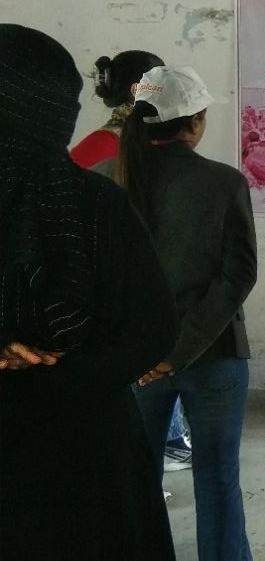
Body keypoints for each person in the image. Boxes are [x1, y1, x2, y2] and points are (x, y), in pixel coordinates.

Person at [0, 25, 185, 561]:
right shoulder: (95, 203)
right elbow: (150, 329)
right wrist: (57, 382)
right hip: (88, 444)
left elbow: (150, 325)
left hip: (79, 456)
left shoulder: (99, 201)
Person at [99, 65, 265, 561]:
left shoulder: (105, 179)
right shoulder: (222, 182)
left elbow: (102, 284)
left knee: (135, 486)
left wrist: (146, 352)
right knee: (217, 480)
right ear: (194, 123)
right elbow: (237, 276)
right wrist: (179, 351)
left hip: (134, 363)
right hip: (212, 354)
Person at [69, 49, 195, 474]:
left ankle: (168, 439)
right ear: (142, 89)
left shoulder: (110, 143)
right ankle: (164, 444)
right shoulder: (113, 148)